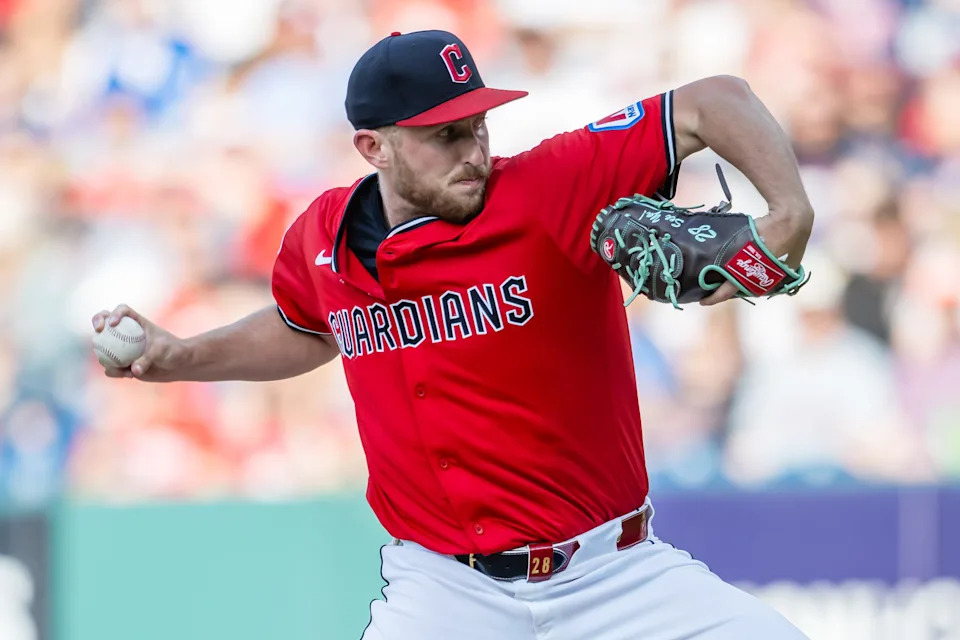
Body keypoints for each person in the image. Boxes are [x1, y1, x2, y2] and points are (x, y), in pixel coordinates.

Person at [93, 30, 813, 639]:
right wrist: (179, 356)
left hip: (615, 575)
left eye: (477, 126)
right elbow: (303, 329)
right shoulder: (321, 237)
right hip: (446, 592)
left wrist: (788, 217)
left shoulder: (553, 185)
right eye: (445, 135)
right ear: (374, 147)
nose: (472, 148)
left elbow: (715, 100)